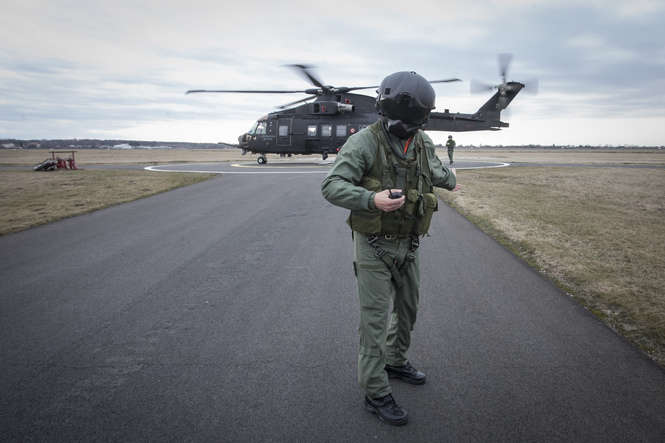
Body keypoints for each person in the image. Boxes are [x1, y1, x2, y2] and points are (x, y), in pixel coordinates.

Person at [321, 71, 457, 426]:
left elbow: (442, 174)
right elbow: (332, 186)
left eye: (411, 124)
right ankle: (375, 390)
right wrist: (371, 199)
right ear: (384, 112)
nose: (404, 130)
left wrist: (449, 179)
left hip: (409, 244)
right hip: (374, 246)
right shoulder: (364, 142)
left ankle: (396, 362)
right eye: (399, 123)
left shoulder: (423, 142)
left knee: (408, 310)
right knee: (375, 321)